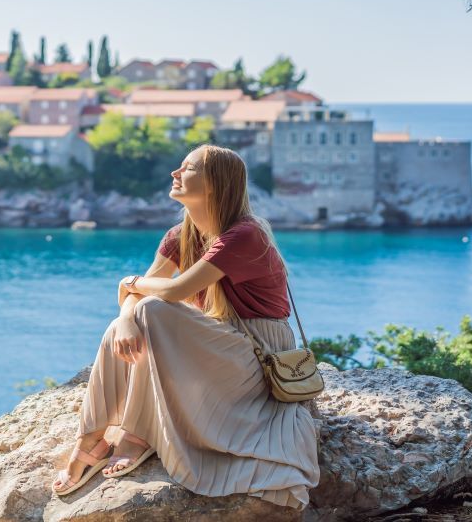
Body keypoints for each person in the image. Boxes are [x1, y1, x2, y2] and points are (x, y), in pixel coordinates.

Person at [51, 144, 321, 511]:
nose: (174, 174)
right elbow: (144, 294)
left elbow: (175, 290)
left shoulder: (245, 235)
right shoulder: (181, 234)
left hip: (257, 353)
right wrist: (125, 318)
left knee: (154, 311)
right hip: (216, 343)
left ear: (214, 183)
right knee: (131, 322)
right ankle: (92, 440)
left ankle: (135, 436)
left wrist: (131, 284)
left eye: (187, 167)